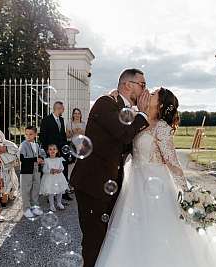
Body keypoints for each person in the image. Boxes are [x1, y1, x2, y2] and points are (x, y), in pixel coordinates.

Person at [95, 87, 216, 267]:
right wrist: (115, 98)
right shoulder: (140, 119)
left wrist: (187, 192)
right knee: (131, 232)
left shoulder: (161, 127)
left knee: (159, 231)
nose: (148, 93)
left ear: (160, 104)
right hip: (134, 184)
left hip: (156, 184)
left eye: (153, 94)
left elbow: (173, 163)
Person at [71, 68, 150, 267]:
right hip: (93, 185)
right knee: (94, 240)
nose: (145, 90)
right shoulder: (105, 103)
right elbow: (123, 134)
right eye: (142, 85)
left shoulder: (124, 110)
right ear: (127, 85)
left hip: (112, 184)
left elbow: (126, 145)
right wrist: (142, 114)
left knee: (108, 239)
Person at [40, 101, 73, 201]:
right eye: (62, 108)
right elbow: (42, 136)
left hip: (61, 150)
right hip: (51, 151)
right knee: (51, 172)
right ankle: (51, 194)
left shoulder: (62, 120)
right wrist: (47, 150)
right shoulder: (46, 120)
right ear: (57, 108)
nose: (63, 110)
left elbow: (62, 135)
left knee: (63, 170)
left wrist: (66, 147)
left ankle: (63, 193)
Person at [19, 126, 46, 218]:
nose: (28, 136)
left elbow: (41, 154)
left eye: (30, 134)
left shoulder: (37, 144)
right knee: (26, 189)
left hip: (36, 170)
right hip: (27, 170)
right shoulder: (23, 145)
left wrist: (41, 159)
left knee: (35, 188)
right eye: (26, 134)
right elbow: (22, 158)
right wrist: (35, 159)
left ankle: (35, 206)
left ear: (35, 135)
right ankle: (26, 209)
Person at [40, 144, 69, 211]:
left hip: (59, 178)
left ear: (57, 151)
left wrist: (60, 170)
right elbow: (44, 170)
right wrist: (50, 170)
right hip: (50, 179)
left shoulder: (59, 159)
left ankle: (59, 203)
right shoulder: (46, 160)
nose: (52, 151)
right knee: (51, 192)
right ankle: (52, 205)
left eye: (54, 149)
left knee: (60, 191)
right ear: (47, 151)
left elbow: (62, 167)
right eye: (50, 149)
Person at [66, 108, 86, 183]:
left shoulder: (83, 124)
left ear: (80, 115)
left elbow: (87, 135)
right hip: (73, 145)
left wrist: (82, 132)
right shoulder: (69, 123)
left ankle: (79, 181)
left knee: (80, 164)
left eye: (78, 113)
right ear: (73, 115)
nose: (77, 115)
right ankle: (70, 181)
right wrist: (73, 132)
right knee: (71, 163)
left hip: (81, 146)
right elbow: (67, 136)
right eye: (75, 113)